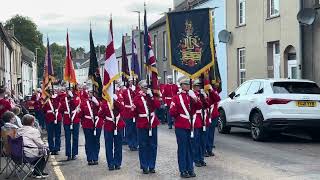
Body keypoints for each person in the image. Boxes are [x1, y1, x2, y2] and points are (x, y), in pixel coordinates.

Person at [169, 77, 201, 178]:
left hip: (191, 126)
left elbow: (200, 106)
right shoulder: (176, 97)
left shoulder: (192, 96)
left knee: (191, 148)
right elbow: (172, 112)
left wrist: (195, 98)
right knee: (183, 148)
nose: (187, 86)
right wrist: (180, 117)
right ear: (181, 85)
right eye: (185, 84)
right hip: (181, 126)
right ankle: (183, 170)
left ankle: (190, 169)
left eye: (188, 84)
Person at [133, 80, 161, 174]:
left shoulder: (151, 97)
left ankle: (152, 165)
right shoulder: (137, 98)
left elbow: (158, 106)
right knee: (143, 145)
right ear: (140, 88)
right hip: (142, 123)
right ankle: (144, 166)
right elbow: (134, 112)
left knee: (153, 145)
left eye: (147, 87)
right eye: (144, 87)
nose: (146, 89)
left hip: (152, 122)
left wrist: (151, 96)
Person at [16, 114, 49, 178]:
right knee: (45, 151)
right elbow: (39, 143)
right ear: (32, 122)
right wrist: (46, 145)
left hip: (17, 153)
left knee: (38, 150)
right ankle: (38, 173)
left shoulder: (18, 130)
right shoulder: (34, 131)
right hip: (27, 154)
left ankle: (36, 170)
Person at [99, 94, 125, 171]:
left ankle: (117, 163)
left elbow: (122, 109)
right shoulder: (104, 103)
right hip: (109, 125)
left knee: (118, 145)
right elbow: (100, 114)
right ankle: (110, 163)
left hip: (118, 124)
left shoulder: (118, 100)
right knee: (109, 146)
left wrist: (115, 101)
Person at [80, 91, 103, 165]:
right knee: (89, 141)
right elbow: (80, 115)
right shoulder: (84, 103)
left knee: (96, 141)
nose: (91, 94)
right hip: (87, 124)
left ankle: (95, 157)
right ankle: (90, 158)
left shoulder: (98, 102)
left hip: (97, 124)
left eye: (93, 92)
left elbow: (103, 112)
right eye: (90, 92)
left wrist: (97, 104)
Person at [191, 79, 209, 167]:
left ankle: (201, 158)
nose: (198, 87)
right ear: (193, 87)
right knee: (196, 141)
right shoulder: (191, 95)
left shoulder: (201, 95)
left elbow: (207, 105)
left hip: (203, 119)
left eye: (199, 86)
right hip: (196, 119)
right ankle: (196, 159)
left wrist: (205, 97)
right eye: (196, 86)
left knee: (202, 141)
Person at [60, 89, 81, 161]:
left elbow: (75, 105)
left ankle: (74, 153)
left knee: (75, 137)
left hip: (75, 119)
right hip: (67, 120)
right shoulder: (63, 99)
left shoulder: (77, 98)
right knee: (68, 138)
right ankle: (68, 154)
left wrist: (71, 98)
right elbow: (60, 110)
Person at [43, 90, 62, 155]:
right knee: (50, 135)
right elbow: (43, 109)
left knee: (57, 135)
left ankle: (56, 148)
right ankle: (51, 148)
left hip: (57, 118)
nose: (51, 94)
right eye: (50, 92)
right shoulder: (46, 100)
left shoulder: (58, 99)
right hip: (49, 119)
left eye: (52, 92)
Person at [121, 78, 138, 151]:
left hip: (136, 112)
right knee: (129, 129)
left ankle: (136, 144)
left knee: (136, 129)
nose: (131, 83)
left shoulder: (136, 91)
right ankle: (131, 144)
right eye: (130, 81)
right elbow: (123, 102)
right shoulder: (125, 92)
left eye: (133, 81)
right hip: (128, 112)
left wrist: (135, 91)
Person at [205, 83, 221, 157]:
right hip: (205, 115)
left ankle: (209, 149)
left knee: (211, 133)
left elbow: (217, 99)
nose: (217, 84)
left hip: (213, 114)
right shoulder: (202, 92)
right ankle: (204, 149)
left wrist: (211, 91)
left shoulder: (213, 91)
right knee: (205, 133)